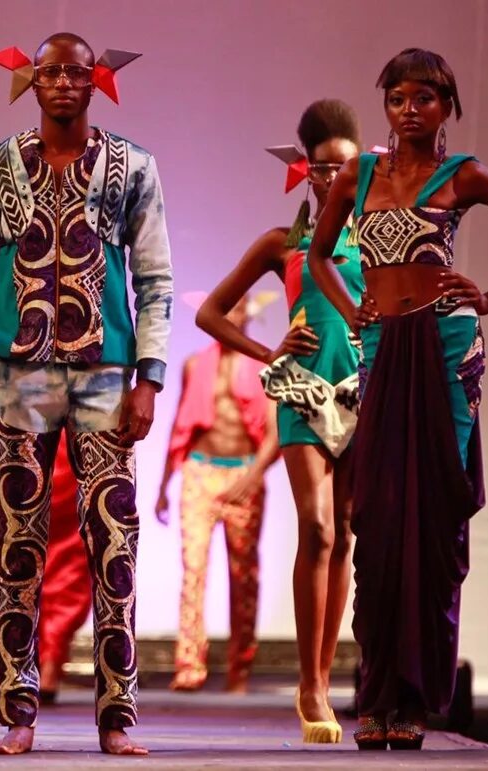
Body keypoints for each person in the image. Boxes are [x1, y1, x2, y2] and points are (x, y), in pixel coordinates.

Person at [307, 48, 488, 750]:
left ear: (447, 106)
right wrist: (350, 308)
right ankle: (377, 694)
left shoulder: (464, 175)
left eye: (424, 97)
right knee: (379, 518)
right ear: (386, 105)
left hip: (448, 348)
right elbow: (319, 255)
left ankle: (416, 702)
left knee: (435, 516)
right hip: (382, 350)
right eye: (397, 97)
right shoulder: (359, 175)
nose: (410, 109)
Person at [0, 32, 172, 755]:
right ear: (32, 81)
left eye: (78, 72)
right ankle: (19, 710)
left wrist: (150, 376)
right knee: (19, 539)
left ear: (96, 79)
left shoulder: (133, 165)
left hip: (106, 371)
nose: (65, 83)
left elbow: (156, 278)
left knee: (115, 540)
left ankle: (117, 716)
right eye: (52, 73)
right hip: (22, 374)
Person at [196, 99, 363, 743]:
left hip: (359, 391)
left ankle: (326, 671)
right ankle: (310, 683)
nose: (334, 178)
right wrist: (269, 352)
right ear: (304, 170)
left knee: (344, 533)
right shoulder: (283, 244)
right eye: (323, 168)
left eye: (345, 167)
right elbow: (210, 312)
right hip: (302, 390)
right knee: (316, 526)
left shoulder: (376, 239)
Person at [156, 294, 279, 695]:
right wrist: (163, 485)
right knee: (193, 571)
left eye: (239, 308)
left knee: (244, 575)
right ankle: (189, 667)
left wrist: (254, 475)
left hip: (243, 473)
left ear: (249, 313)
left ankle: (239, 669)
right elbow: (180, 424)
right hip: (199, 471)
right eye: (227, 308)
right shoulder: (196, 365)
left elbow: (275, 432)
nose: (232, 315)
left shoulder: (265, 368)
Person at [37, 436, 89, 704]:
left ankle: (47, 663)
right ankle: (46, 664)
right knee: (59, 556)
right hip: (43, 435)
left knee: (65, 555)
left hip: (72, 438)